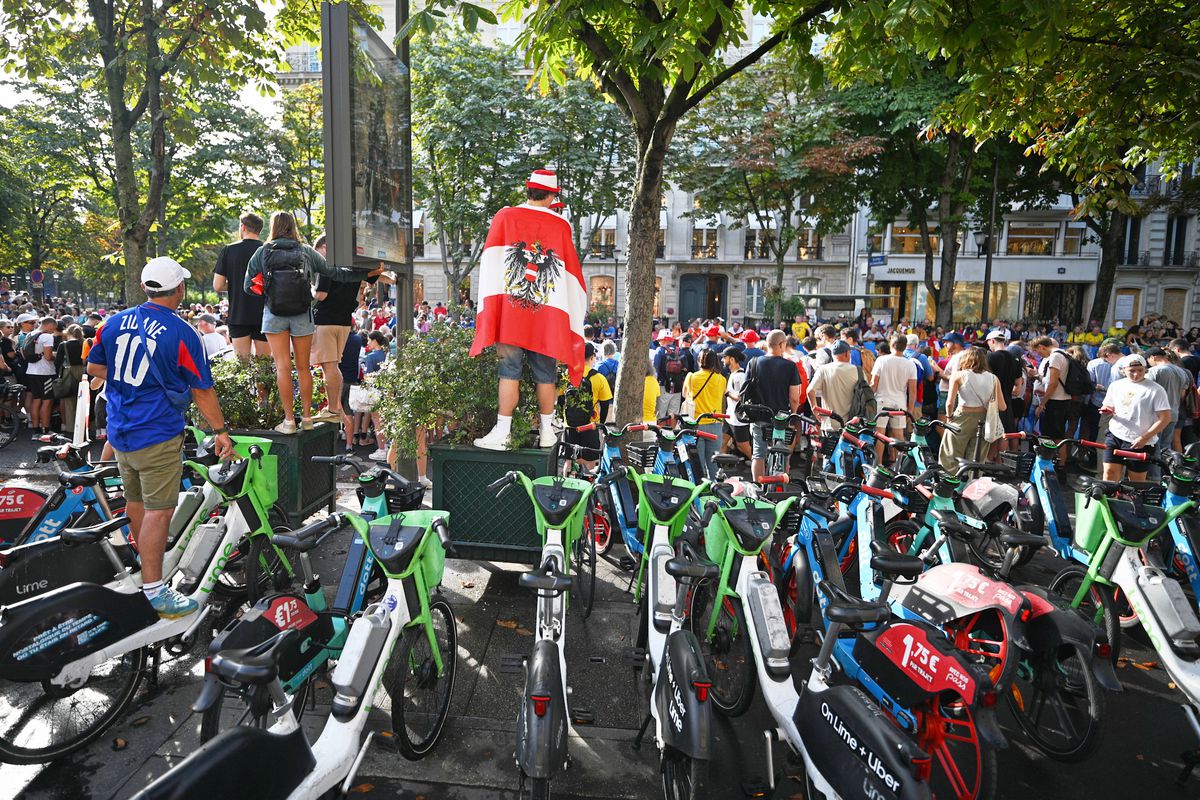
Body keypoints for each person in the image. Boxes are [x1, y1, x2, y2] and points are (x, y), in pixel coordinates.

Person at [86, 257, 234, 618]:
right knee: (159, 509)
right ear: (179, 290)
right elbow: (202, 390)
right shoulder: (184, 333)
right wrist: (221, 432)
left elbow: (94, 367)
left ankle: (144, 565)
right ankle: (155, 590)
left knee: (136, 500)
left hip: (120, 431)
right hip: (157, 433)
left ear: (145, 287)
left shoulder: (113, 322)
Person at [470, 170, 587, 450]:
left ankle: (503, 431)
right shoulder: (560, 225)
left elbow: (490, 261)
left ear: (528, 191)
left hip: (511, 314)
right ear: (551, 195)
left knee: (509, 371)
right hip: (546, 316)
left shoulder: (505, 216)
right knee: (545, 374)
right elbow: (570, 274)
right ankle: (547, 432)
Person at [245, 211, 381, 434]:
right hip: (301, 315)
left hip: (274, 315)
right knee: (303, 367)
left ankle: (289, 421)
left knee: (282, 367)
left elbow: (247, 286)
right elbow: (335, 273)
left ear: (273, 227)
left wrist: (270, 295)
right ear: (293, 227)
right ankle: (307, 418)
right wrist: (365, 274)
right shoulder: (306, 251)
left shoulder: (262, 252)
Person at [311, 233, 377, 426]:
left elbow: (321, 295)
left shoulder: (326, 266)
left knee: (329, 366)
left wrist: (311, 290)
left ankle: (333, 409)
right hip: (343, 323)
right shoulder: (352, 267)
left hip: (325, 321)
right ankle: (335, 408)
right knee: (333, 366)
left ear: (324, 248)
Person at [1100, 354, 1171, 482]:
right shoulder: (1116, 385)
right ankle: (1110, 500)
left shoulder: (1156, 390)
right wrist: (1107, 410)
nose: (1136, 374)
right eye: (1131, 371)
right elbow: (1108, 404)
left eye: (1140, 370)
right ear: (1123, 370)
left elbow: (1165, 418)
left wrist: (1145, 437)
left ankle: (1129, 501)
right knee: (1109, 475)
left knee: (1135, 483)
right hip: (1115, 435)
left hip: (1140, 441)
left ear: (1145, 369)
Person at [939, 346, 1005, 473]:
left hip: (962, 416)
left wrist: (949, 417)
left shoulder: (959, 375)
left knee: (950, 454)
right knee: (977, 457)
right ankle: (971, 484)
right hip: (984, 419)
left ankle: (949, 483)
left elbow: (949, 403)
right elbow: (1002, 406)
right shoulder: (993, 378)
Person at [747, 330, 801, 480]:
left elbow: (744, 391)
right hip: (781, 418)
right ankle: (780, 485)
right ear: (782, 344)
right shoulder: (790, 366)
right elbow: (794, 397)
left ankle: (758, 488)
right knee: (782, 451)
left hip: (758, 415)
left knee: (758, 454)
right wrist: (793, 415)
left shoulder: (754, 363)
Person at [213, 212, 266, 358]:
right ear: (259, 230)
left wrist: (236, 284)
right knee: (264, 366)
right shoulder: (268, 250)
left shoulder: (229, 250)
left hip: (238, 314)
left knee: (242, 366)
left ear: (242, 227)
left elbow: (218, 285)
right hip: (264, 314)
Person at [870, 334, 918, 463]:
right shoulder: (910, 364)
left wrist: (868, 401)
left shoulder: (881, 360)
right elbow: (912, 390)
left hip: (881, 400)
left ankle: (878, 465)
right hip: (900, 402)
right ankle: (899, 465)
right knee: (899, 436)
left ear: (891, 345)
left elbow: (874, 384)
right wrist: (911, 410)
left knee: (880, 435)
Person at [683, 349, 727, 479]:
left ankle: (701, 494)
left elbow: (685, 395)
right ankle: (715, 491)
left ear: (699, 361)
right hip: (715, 424)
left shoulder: (691, 377)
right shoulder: (721, 379)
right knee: (714, 464)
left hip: (697, 425)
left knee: (699, 465)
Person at [1030, 335, 1074, 465]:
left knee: (1052, 437)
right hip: (1062, 400)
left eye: (1037, 351)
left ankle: (1052, 465)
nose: (1038, 355)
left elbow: (1053, 383)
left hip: (1056, 402)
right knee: (1056, 436)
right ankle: (1056, 464)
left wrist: (1042, 403)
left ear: (1042, 347)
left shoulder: (1055, 356)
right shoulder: (1064, 354)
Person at [1146, 347, 1190, 472]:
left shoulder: (1154, 371)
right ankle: (1165, 475)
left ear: (1152, 357)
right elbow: (1182, 395)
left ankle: (1154, 477)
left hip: (1156, 416)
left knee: (1153, 446)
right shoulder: (1183, 372)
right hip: (1173, 413)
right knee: (1165, 447)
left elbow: (1146, 393)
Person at [807, 340, 859, 432]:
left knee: (828, 446)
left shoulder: (823, 369)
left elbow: (810, 391)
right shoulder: (857, 370)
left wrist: (815, 409)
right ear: (847, 353)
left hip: (829, 423)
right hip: (852, 424)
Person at [22, 316, 58, 436]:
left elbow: (23, 352)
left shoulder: (30, 334)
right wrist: (56, 356)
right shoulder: (47, 336)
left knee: (36, 399)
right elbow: (48, 357)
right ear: (49, 325)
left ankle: (36, 430)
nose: (54, 330)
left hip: (31, 370)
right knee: (47, 401)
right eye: (54, 327)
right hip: (45, 372)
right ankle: (45, 430)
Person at [653, 328, 695, 425]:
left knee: (661, 415)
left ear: (662, 340)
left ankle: (661, 437)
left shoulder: (659, 351)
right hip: (677, 387)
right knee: (674, 414)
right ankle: (672, 436)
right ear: (671, 340)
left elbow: (655, 370)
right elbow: (685, 369)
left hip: (663, 386)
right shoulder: (680, 351)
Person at [55, 324, 86, 436]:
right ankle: (87, 427)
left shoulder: (64, 345)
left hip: (69, 372)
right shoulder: (85, 343)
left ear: (68, 333)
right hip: (84, 372)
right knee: (84, 400)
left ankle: (71, 428)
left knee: (69, 401)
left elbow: (57, 362)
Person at [722, 349, 751, 460]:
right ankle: (720, 469)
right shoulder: (734, 374)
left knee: (742, 446)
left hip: (738, 420)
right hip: (730, 417)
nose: (722, 360)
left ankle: (761, 465)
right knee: (723, 442)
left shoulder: (739, 376)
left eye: (724, 357)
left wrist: (726, 393)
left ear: (732, 359)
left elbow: (739, 397)